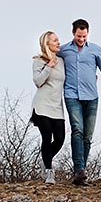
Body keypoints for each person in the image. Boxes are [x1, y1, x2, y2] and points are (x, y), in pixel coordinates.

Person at [57, 18, 101, 186]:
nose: (81, 39)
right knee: (77, 130)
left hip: (91, 97)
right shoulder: (64, 50)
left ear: (87, 33)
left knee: (87, 137)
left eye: (84, 36)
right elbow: (49, 56)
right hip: (72, 95)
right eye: (78, 36)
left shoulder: (96, 50)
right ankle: (79, 169)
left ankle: (79, 175)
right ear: (73, 33)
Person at [30, 31, 66, 184]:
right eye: (55, 41)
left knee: (59, 139)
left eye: (58, 40)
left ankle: (46, 160)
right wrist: (49, 66)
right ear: (47, 44)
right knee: (47, 136)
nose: (58, 43)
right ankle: (49, 173)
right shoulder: (38, 61)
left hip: (57, 106)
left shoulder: (62, 61)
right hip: (42, 105)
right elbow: (38, 81)